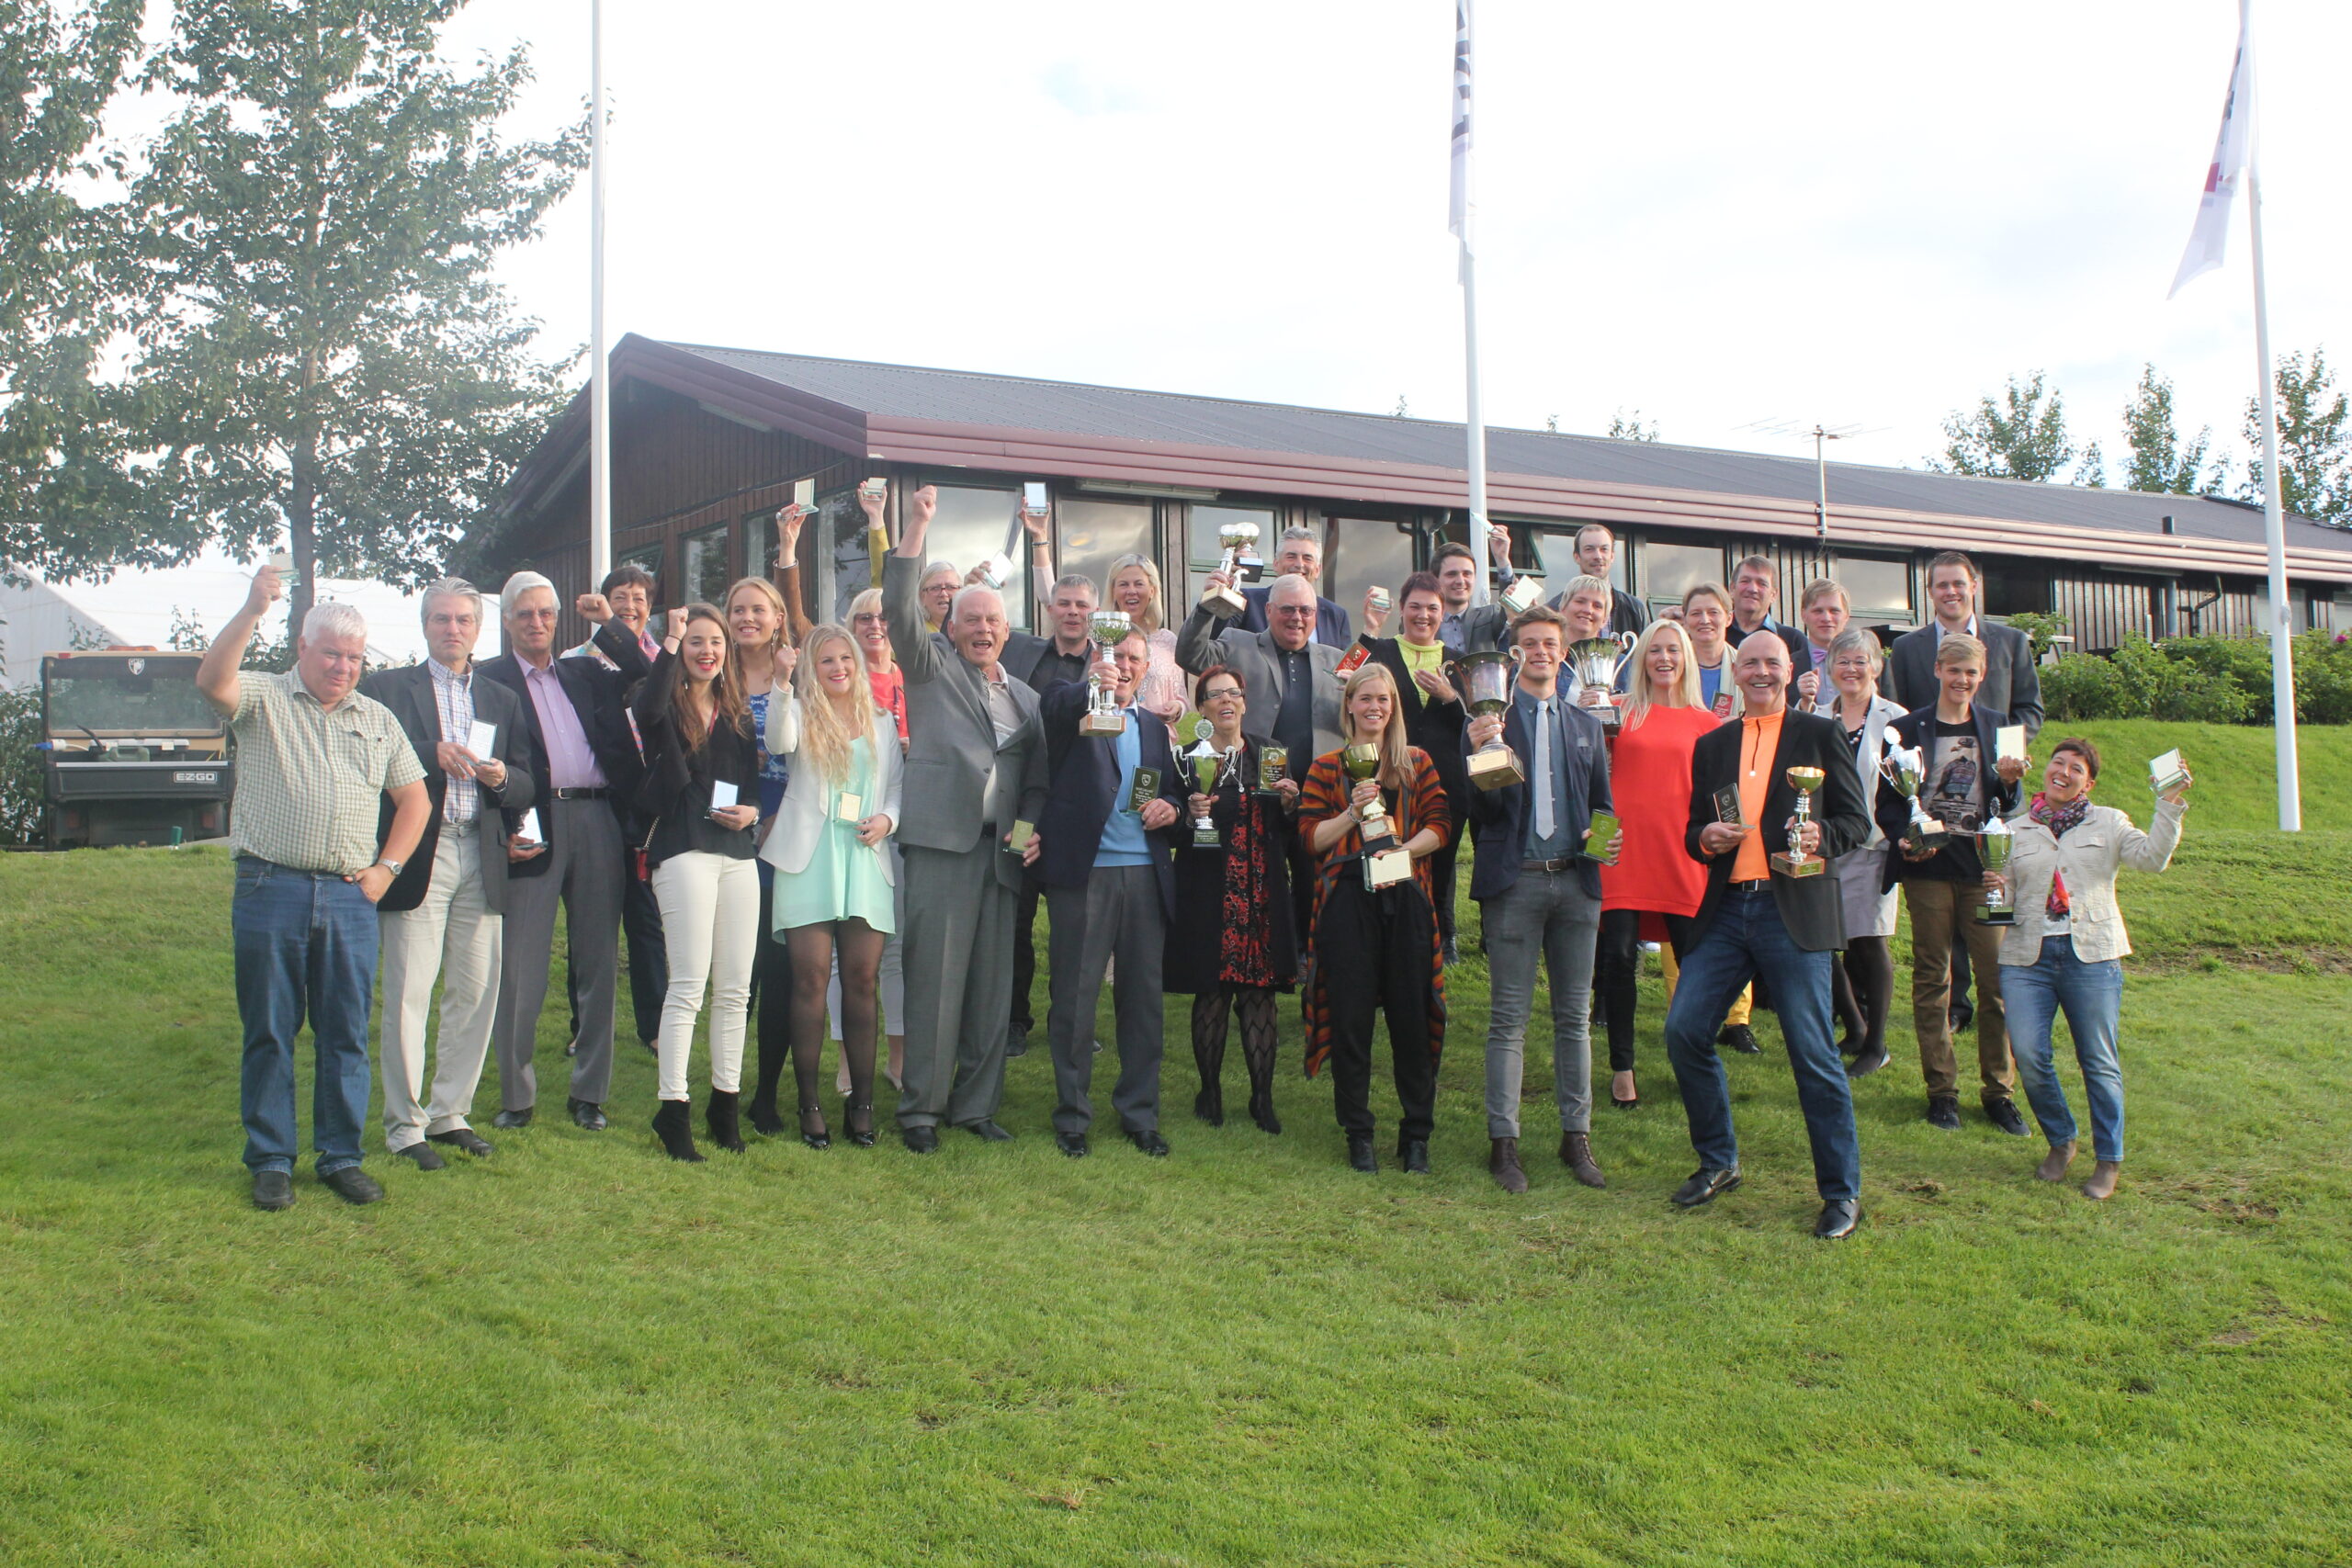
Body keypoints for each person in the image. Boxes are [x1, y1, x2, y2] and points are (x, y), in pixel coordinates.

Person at [198, 566, 429, 1211]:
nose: (343, 667)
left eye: (354, 657)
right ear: (302, 646)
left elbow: (414, 799)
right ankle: (272, 1160)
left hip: (350, 897)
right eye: (331, 653)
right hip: (270, 886)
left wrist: (386, 869)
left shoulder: (377, 719)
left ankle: (340, 1157)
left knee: (345, 1033)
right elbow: (211, 681)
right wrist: (253, 608)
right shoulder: (264, 696)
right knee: (270, 1030)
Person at [1662, 632, 1872, 1239]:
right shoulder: (1713, 744)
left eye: (1771, 663)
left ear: (1790, 670)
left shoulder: (1821, 735)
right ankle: (1719, 1161)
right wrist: (1705, 839)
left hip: (1794, 911)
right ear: (1736, 671)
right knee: (1684, 1032)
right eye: (1749, 662)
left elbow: (1856, 822)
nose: (1760, 672)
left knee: (1813, 1052)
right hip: (1728, 909)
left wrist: (1821, 837)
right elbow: (1693, 830)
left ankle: (1841, 1193)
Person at [886, 485, 1047, 1152]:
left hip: (1000, 857)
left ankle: (975, 1107)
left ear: (1006, 632)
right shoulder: (930, 669)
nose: (982, 629)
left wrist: (1027, 833)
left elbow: (1034, 783)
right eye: (970, 620)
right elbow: (899, 612)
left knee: (990, 989)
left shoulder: (1028, 699)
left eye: (992, 622)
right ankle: (921, 1110)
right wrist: (915, 529)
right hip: (941, 848)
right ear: (951, 628)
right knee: (934, 983)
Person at [358, 578, 536, 1172]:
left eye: (463, 619)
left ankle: (450, 1113)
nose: (452, 629)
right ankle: (405, 1125)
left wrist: (502, 779)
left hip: (482, 853)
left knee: (475, 991)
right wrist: (427, 751)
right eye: (441, 618)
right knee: (410, 991)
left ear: (478, 629)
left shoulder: (501, 697)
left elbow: (527, 780)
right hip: (418, 856)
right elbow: (364, 753)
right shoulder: (386, 688)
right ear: (425, 625)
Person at [478, 573, 647, 1134]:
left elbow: (646, 675)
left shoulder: (586, 671)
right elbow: (484, 761)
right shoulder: (488, 680)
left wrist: (609, 623)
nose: (536, 622)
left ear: (558, 619)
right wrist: (504, 828)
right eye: (525, 613)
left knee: (598, 961)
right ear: (507, 620)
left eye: (546, 613)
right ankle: (516, 1096)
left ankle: (589, 1094)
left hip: (598, 818)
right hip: (532, 821)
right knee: (521, 967)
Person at [1986, 739, 2188, 1201]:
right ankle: (2061, 1140)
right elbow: (2007, 901)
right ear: (2045, 771)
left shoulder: (2110, 821)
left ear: (2088, 783)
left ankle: (2109, 1159)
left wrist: (2169, 804)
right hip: (2027, 958)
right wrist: (1997, 887)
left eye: (2075, 768)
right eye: (2057, 763)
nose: (2063, 771)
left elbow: (2152, 859)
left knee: (2098, 1061)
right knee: (2029, 1056)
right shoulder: (2014, 830)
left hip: (2091, 956)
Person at [1462, 605, 1613, 1194]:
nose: (1541, 652)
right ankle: (1504, 1142)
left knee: (1574, 1019)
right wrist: (1483, 755)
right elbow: (1483, 814)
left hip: (1577, 884)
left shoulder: (1586, 725)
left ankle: (1577, 1137)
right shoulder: (1488, 722)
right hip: (1515, 882)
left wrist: (1605, 838)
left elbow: (1603, 805)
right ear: (1515, 655)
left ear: (1564, 653)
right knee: (1508, 1020)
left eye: (1550, 643)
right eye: (1529, 644)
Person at [1025, 626, 1190, 1158]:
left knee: (1142, 1003)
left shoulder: (1153, 728)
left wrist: (1171, 808)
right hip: (1085, 874)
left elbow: (1171, 791)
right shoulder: (1070, 704)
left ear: (1146, 669)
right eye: (1115, 656)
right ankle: (1073, 1117)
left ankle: (1140, 1115)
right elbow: (1052, 708)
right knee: (1074, 1000)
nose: (1124, 666)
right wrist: (1090, 685)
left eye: (1133, 658)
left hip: (1144, 875)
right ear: (1098, 658)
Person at [1883, 550, 2046, 1033]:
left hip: (1993, 802)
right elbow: (1899, 717)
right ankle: (1955, 1006)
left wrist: (2006, 755)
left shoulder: (2010, 641)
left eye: (1958, 583)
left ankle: (1999, 1009)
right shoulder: (1908, 648)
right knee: (1938, 913)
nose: (1950, 592)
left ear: (1974, 585)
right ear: (1929, 592)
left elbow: (2029, 708)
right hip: (1929, 804)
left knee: (1988, 907)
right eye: (1941, 585)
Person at [1299, 664, 1451, 1173]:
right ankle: (1358, 1134)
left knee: (1412, 1019)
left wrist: (1401, 852)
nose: (1374, 707)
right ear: (1349, 705)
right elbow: (1311, 839)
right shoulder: (1326, 768)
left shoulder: (1416, 762)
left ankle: (1417, 1135)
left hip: (1406, 895)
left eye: (1383, 699)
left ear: (1393, 707)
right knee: (1351, 1019)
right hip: (1346, 899)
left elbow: (1440, 825)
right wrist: (1351, 811)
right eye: (1365, 698)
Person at [1876, 632, 2027, 1136]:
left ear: (1981, 677)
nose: (1962, 680)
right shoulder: (1904, 729)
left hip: (1985, 870)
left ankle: (1999, 1093)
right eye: (1954, 670)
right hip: (1929, 870)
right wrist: (1903, 838)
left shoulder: (2002, 727)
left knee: (1998, 982)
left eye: (1971, 673)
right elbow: (1888, 803)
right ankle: (1942, 1092)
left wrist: (2010, 781)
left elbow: (2012, 803)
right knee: (1932, 979)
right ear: (1938, 669)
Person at [628, 603, 762, 1161]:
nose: (707, 652)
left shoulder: (738, 714)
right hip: (683, 849)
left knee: (735, 990)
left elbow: (751, 784)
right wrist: (669, 639)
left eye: (716, 643)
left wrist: (752, 812)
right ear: (680, 651)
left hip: (736, 853)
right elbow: (648, 708)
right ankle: (673, 1107)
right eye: (695, 643)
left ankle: (724, 1106)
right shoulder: (660, 701)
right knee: (688, 985)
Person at [761, 623, 902, 1151]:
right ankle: (809, 1104)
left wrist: (888, 820)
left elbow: (896, 788)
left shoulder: (881, 721)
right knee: (811, 980)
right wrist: (781, 683)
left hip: (865, 858)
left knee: (863, 981)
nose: (838, 667)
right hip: (809, 860)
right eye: (826, 661)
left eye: (845, 658)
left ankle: (861, 1106)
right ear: (811, 670)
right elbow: (778, 743)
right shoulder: (798, 712)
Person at [1176, 570, 1346, 971]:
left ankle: (1311, 958)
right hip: (1252, 792)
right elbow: (1190, 655)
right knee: (1263, 879)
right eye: (1287, 609)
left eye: (1306, 610)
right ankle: (1262, 954)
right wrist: (1207, 606)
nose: (1297, 618)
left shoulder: (1336, 660)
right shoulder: (1239, 643)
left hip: (1316, 794)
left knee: (1313, 879)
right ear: (1268, 611)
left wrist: (1357, 691)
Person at [1165, 665, 1299, 1134]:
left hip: (1261, 889)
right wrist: (1189, 814)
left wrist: (1289, 803)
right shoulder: (1185, 758)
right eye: (1214, 694)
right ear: (1201, 707)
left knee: (1260, 993)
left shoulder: (1270, 752)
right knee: (1212, 991)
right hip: (1209, 890)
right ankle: (1210, 1091)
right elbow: (1172, 828)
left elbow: (1288, 828)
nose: (1226, 700)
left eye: (1233, 693)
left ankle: (1262, 1098)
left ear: (1244, 702)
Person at [1593, 619, 1716, 1112]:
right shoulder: (1616, 711)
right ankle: (1622, 1068)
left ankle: (1693, 1060)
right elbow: (1594, 778)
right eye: (1655, 650)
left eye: (1673, 650)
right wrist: (1596, 843)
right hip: (1621, 850)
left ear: (1687, 658)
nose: (1664, 658)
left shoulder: (1708, 724)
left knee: (1694, 963)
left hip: (1682, 854)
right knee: (1619, 957)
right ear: (1641, 658)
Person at [561, 558, 667, 1066]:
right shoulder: (574, 661)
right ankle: (583, 1027)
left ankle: (655, 1026)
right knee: (591, 923)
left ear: (651, 608)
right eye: (619, 597)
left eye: (638, 599)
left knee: (646, 920)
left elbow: (655, 689)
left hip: (647, 807)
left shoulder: (662, 658)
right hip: (598, 803)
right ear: (602, 602)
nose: (629, 607)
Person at [996, 570, 1096, 1056]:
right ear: (1050, 608)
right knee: (1016, 916)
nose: (1073, 611)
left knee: (1073, 924)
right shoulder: (1019, 651)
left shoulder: (1112, 660)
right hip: (1024, 807)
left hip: (1080, 814)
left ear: (1094, 613)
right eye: (1065, 603)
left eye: (1082, 604)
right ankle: (1014, 1020)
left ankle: (1069, 1022)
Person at [1352, 571, 1469, 960]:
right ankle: (1393, 923)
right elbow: (1345, 676)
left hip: (1446, 775)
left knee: (1442, 852)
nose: (1423, 615)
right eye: (1415, 607)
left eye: (1432, 608)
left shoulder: (1457, 662)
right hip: (1389, 771)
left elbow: (1473, 723)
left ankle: (1444, 932)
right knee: (1390, 844)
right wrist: (1370, 629)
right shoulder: (1381, 649)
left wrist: (1450, 697)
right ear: (1401, 609)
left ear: (1443, 612)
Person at [726, 573, 804, 1139]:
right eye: (738, 609)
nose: (747, 618)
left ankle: (767, 1095)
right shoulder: (712, 672)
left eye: (759, 609)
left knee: (780, 970)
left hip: (789, 832)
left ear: (779, 618)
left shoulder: (799, 676)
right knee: (737, 972)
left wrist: (780, 816)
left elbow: (816, 753)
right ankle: (724, 1088)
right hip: (728, 830)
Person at [827, 587, 909, 1095]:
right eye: (864, 618)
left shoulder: (913, 679)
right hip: (844, 833)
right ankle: (844, 1062)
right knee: (843, 958)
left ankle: (898, 1060)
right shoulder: (839, 683)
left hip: (900, 827)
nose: (875, 626)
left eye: (883, 617)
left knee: (895, 952)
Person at [1819, 627, 1905, 1077]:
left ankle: (1877, 1044)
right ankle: (1853, 1027)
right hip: (1824, 843)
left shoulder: (1897, 720)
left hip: (1874, 845)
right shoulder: (1816, 715)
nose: (1851, 669)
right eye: (1843, 661)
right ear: (1830, 668)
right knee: (1822, 939)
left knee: (1869, 941)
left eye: (1860, 661)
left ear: (1877, 667)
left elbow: (1909, 786)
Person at [1492, 524, 1648, 637]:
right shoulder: (1554, 608)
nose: (1598, 556)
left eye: (1604, 549)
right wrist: (1503, 561)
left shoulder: (1634, 609)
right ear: (1577, 556)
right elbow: (1513, 618)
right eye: (1589, 549)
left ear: (1612, 556)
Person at [1105, 553, 1190, 734]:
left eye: (1139, 584)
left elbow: (1181, 697)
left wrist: (1176, 708)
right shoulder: (1102, 639)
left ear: (1152, 591)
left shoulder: (1168, 641)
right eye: (1123, 584)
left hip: (1158, 738)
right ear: (1113, 591)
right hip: (1113, 736)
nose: (1131, 591)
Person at [1234, 525, 1351, 644]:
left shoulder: (1336, 615)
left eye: (1307, 558)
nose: (1299, 564)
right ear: (1276, 564)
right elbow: (1222, 641)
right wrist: (1225, 588)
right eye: (1291, 557)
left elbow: (1348, 657)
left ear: (1317, 570)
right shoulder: (1246, 601)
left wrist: (1366, 634)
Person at [1727, 556, 1810, 669]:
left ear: (1773, 595)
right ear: (1732, 588)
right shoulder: (1716, 635)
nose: (1752, 589)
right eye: (1745, 581)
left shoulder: (1794, 641)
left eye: (1762, 584)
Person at [1679, 582, 1743, 721]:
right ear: (1685, 620)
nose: (1705, 620)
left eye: (1713, 612)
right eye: (1696, 613)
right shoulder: (1673, 666)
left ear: (1729, 618)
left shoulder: (1746, 666)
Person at [1796, 579, 1849, 709]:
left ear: (1846, 616)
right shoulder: (1787, 667)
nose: (1826, 618)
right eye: (1818, 611)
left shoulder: (1875, 666)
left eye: (1834, 611)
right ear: (1803, 615)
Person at [918, 560, 963, 632]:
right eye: (935, 588)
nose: (943, 594)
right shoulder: (916, 633)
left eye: (950, 587)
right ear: (922, 596)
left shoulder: (970, 631)